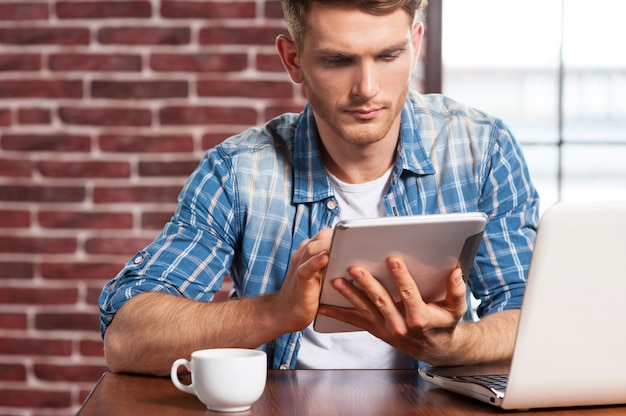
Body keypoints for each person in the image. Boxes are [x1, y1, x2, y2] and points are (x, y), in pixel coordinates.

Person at [99, 0, 539, 376]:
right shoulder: (238, 171)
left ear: (416, 44)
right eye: (338, 60)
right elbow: (126, 338)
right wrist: (277, 311)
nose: (367, 89)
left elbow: (536, 318)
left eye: (388, 56)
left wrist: (450, 346)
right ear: (293, 60)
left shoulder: (480, 147)